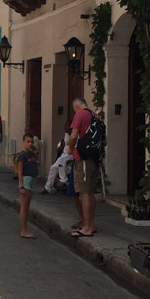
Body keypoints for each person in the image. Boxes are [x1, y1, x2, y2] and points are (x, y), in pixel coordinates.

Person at [66, 97, 99, 237]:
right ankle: (90, 224)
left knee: (84, 194)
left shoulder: (80, 114)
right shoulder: (95, 115)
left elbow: (73, 135)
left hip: (83, 158)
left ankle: (86, 227)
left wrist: (70, 148)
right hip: (94, 159)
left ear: (77, 106)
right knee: (90, 193)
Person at [17, 133, 39, 239]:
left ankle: (24, 229)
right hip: (26, 180)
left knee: (27, 206)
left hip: (32, 179)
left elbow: (37, 154)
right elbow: (20, 171)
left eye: (31, 142)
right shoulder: (22, 155)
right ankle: (23, 230)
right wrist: (21, 186)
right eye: (28, 142)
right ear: (23, 142)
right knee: (24, 207)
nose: (30, 144)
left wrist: (33, 147)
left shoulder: (31, 154)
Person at [43, 125, 73, 193]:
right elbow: (65, 144)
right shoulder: (66, 134)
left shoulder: (75, 134)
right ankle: (47, 188)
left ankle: (63, 179)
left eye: (66, 127)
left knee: (61, 162)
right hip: (64, 154)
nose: (65, 128)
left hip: (71, 154)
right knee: (53, 168)